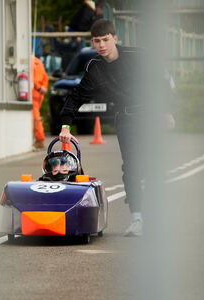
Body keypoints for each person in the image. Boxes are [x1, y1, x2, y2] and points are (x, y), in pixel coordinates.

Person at [58, 19, 175, 237]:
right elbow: (76, 96)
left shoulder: (137, 56)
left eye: (105, 40)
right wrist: (66, 125)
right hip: (125, 120)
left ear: (115, 39)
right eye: (96, 41)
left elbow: (161, 81)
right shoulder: (95, 68)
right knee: (131, 168)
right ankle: (137, 219)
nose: (101, 45)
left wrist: (166, 110)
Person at [31, 56, 49, 150]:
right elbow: (45, 77)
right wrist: (44, 87)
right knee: (36, 116)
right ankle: (38, 139)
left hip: (34, 92)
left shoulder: (29, 62)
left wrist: (38, 87)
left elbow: (31, 79)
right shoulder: (38, 61)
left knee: (35, 117)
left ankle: (39, 139)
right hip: (40, 94)